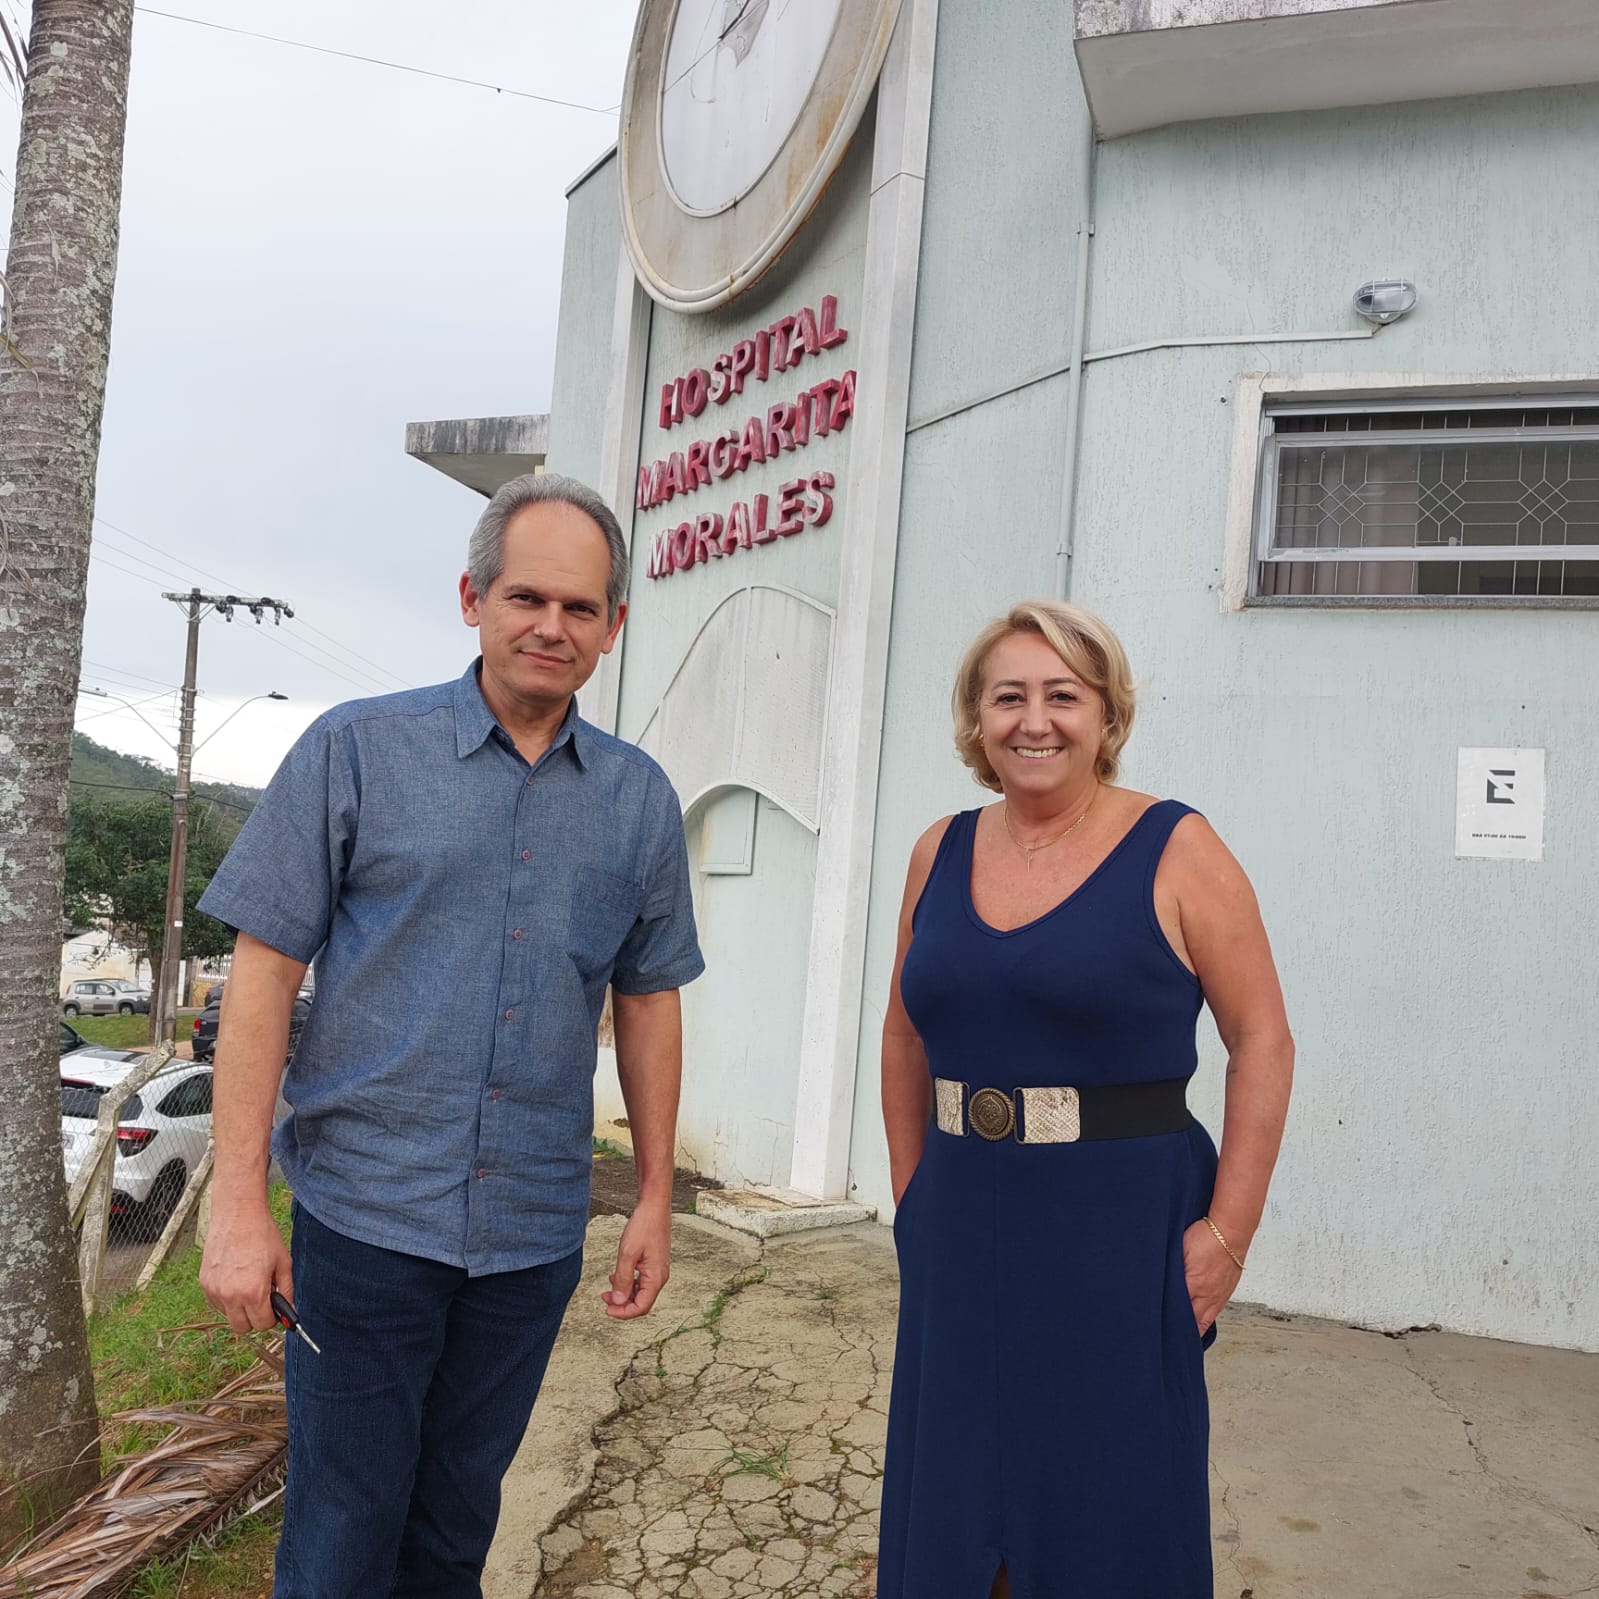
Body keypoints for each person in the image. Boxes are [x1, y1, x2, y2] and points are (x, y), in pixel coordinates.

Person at [197, 473, 703, 1599]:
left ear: (614, 628)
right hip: (368, 1222)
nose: (551, 627)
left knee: (455, 1532)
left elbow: (650, 999)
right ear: (472, 597)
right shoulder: (358, 752)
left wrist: (656, 1193)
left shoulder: (637, 801)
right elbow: (265, 974)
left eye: (581, 609)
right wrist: (236, 1202)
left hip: (528, 1239)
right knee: (340, 1537)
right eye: (528, 597)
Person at [876, 599, 1294, 1599]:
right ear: (975, 720)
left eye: (1064, 695)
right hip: (965, 1220)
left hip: (1121, 1230)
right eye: (1008, 696)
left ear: (1107, 715)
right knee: (959, 1496)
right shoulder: (939, 849)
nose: (1035, 720)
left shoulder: (1180, 847)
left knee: (1111, 1501)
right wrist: (913, 1197)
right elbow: (904, 1032)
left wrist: (1227, 1236)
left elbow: (1263, 1040)